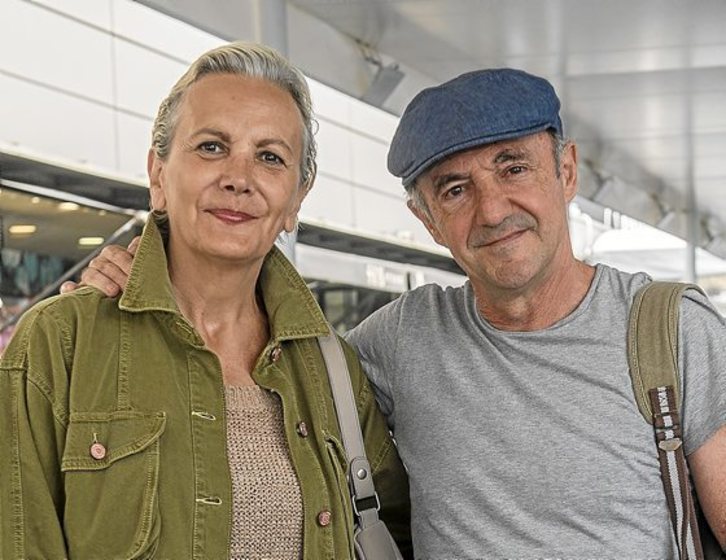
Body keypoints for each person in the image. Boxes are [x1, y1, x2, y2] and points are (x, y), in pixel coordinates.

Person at [65, 68, 726, 557]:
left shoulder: (670, 333)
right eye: (455, 189)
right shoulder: (399, 341)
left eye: (514, 168)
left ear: (568, 171)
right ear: (427, 219)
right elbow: (259, 357)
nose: (493, 209)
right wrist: (138, 285)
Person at [0, 42, 411, 559]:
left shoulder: (334, 370)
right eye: (212, 147)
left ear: (296, 198)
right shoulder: (60, 345)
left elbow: (398, 531)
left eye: (270, 157)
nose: (239, 179)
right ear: (158, 174)